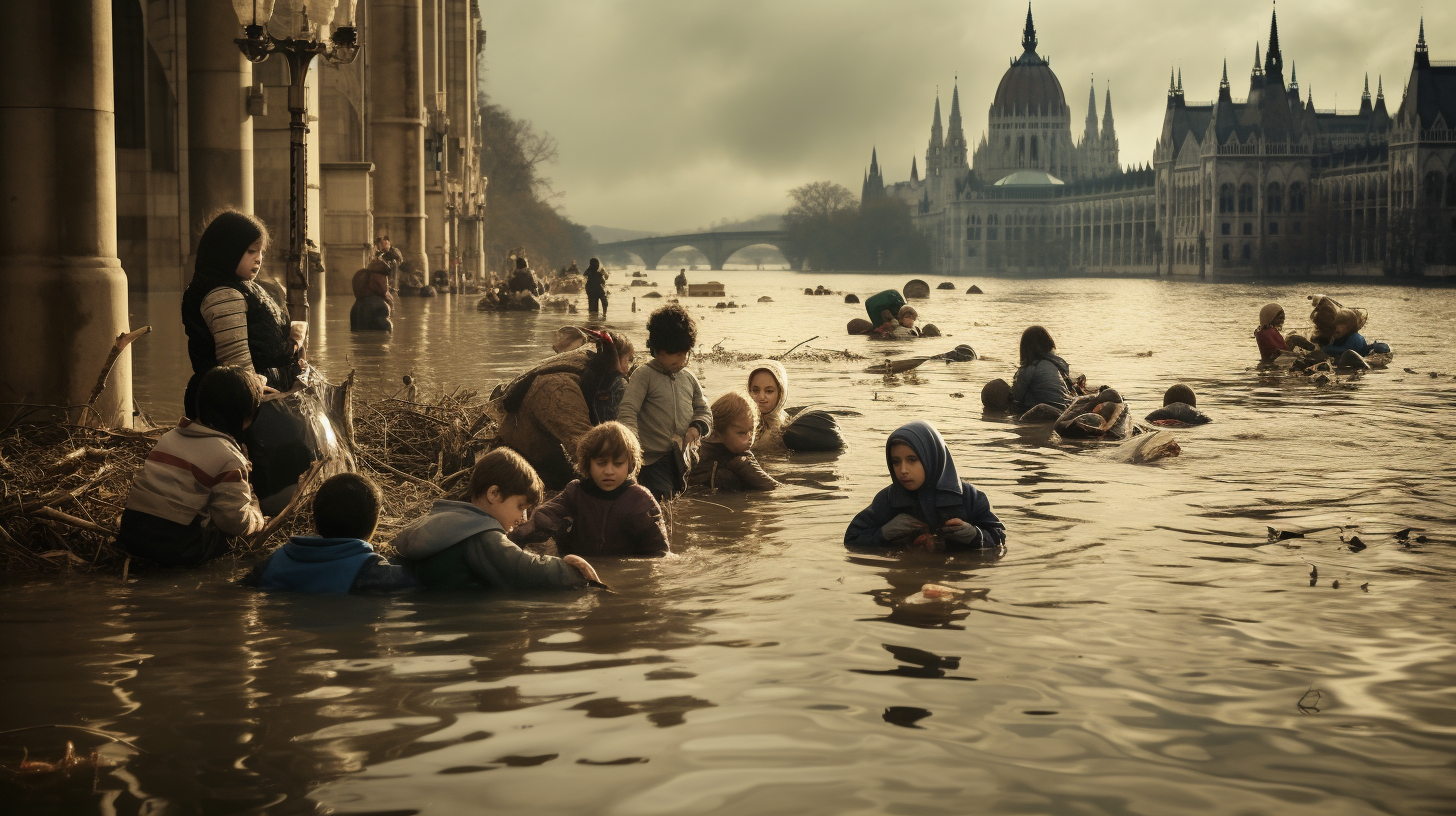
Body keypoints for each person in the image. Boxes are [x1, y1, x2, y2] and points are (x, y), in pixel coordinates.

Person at [113, 366, 266, 567]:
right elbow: (233, 522)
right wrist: (258, 520)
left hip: (131, 535)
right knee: (238, 529)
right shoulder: (230, 458)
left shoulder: (168, 438)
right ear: (247, 415)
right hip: (176, 549)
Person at [393, 449, 601, 591]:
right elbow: (522, 570)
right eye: (520, 507)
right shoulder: (480, 534)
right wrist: (570, 571)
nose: (522, 518)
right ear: (494, 494)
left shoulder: (442, 521)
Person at [181, 210, 302, 418]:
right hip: (236, 410)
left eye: (261, 252)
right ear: (226, 251)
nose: (258, 259)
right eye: (250, 251)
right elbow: (240, 372)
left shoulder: (240, 287)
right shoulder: (224, 295)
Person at [495, 329, 634, 489]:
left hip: (543, 458)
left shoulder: (582, 369)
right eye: (628, 360)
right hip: (522, 467)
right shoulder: (559, 388)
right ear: (613, 360)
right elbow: (584, 446)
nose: (627, 370)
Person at [509, 422, 670, 558]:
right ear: (587, 464)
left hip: (624, 572)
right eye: (601, 463)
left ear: (630, 465)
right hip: (581, 567)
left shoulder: (639, 499)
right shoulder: (575, 492)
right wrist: (511, 538)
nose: (609, 471)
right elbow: (543, 518)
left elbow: (659, 551)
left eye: (618, 463)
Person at [844, 420, 1005, 551]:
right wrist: (885, 533)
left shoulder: (968, 497)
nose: (903, 470)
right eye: (896, 462)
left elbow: (999, 539)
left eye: (912, 460)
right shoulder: (888, 500)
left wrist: (975, 535)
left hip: (956, 583)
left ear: (931, 457)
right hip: (906, 579)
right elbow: (852, 540)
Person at [243, 473, 419, 593]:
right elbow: (423, 584)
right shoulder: (372, 572)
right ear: (373, 526)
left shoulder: (273, 561)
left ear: (315, 522)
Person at [618, 303, 712, 501]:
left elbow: (704, 409)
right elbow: (628, 411)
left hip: (681, 458)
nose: (682, 359)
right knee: (661, 500)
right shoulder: (644, 376)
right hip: (651, 460)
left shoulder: (688, 378)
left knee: (677, 499)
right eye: (675, 354)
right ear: (656, 350)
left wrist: (697, 426)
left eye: (685, 353)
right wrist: (632, 446)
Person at [688, 392, 778, 491]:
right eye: (741, 433)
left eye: (752, 431)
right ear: (718, 433)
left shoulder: (698, 447)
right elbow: (773, 488)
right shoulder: (738, 460)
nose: (749, 438)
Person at [1009, 326, 1081, 414]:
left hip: (1048, 413)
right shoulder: (1059, 363)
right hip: (1066, 409)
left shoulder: (1029, 369)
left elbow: (1017, 396)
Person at [747, 360, 789, 451]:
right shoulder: (739, 422)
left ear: (781, 393)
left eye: (769, 391)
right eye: (755, 390)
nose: (761, 397)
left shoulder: (787, 429)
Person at [350, 260, 394, 332]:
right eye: (385, 278)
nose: (387, 283)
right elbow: (386, 333)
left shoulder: (356, 305)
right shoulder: (380, 306)